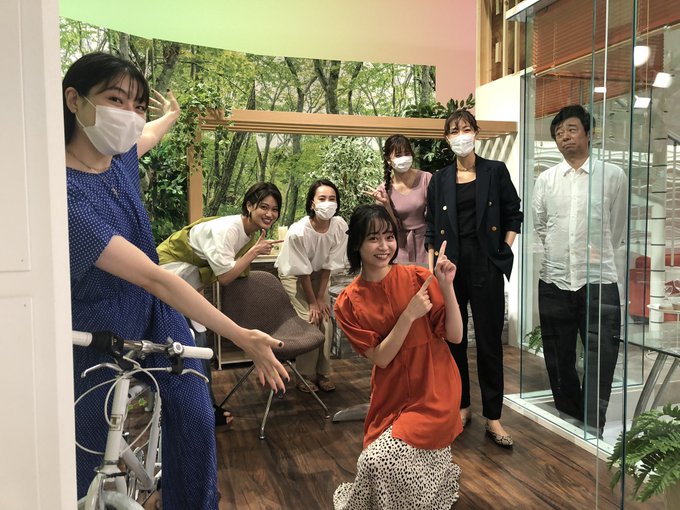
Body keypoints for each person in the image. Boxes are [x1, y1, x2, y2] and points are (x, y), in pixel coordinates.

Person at [64, 52, 288, 509]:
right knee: (88, 444)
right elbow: (156, 278)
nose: (129, 115)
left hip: (155, 312)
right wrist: (243, 335)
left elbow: (147, 134)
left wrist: (170, 115)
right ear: (74, 100)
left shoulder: (120, 157)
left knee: (195, 413)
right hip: (98, 320)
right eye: (115, 100)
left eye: (137, 105)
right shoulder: (64, 195)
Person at [333, 204, 464, 510]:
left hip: (434, 387)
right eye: (373, 239)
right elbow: (381, 358)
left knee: (379, 459)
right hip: (390, 393)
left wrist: (447, 286)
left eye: (389, 237)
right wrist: (408, 316)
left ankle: (431, 489)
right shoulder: (348, 302)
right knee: (374, 460)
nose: (384, 246)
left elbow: (456, 336)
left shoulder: (418, 277)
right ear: (357, 244)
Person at [425, 109, 523, 447]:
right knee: (454, 339)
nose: (460, 135)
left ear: (476, 133)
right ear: (446, 138)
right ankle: (462, 406)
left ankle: (493, 417)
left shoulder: (495, 171)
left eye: (466, 129)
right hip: (450, 266)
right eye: (454, 131)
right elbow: (431, 227)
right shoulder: (440, 179)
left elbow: (513, 213)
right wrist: (433, 268)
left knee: (489, 340)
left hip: (486, 263)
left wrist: (503, 251)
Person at [533, 104, 627, 434]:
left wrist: (595, 255)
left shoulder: (613, 176)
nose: (565, 137)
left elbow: (616, 227)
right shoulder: (546, 180)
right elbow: (541, 226)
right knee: (558, 358)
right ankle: (571, 422)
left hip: (598, 281)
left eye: (571, 129)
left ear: (589, 133)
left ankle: (592, 426)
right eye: (559, 133)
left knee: (602, 358)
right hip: (554, 281)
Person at [157, 182, 283, 426]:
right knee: (187, 346)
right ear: (249, 206)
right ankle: (191, 412)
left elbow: (207, 265)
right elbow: (224, 276)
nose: (269, 213)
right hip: (170, 277)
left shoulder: (248, 233)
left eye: (274, 209)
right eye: (264, 207)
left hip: (189, 285)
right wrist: (254, 253)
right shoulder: (229, 230)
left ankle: (205, 407)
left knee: (201, 346)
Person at [276, 179, 348, 393]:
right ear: (312, 204)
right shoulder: (299, 231)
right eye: (322, 198)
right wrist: (313, 302)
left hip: (319, 275)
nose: (328, 203)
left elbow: (329, 265)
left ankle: (323, 373)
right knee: (311, 319)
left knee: (326, 320)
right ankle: (305, 375)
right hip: (294, 274)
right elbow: (301, 271)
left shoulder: (339, 226)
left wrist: (321, 297)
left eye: (332, 199)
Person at [365, 134, 431, 265]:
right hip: (399, 247)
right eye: (398, 155)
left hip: (426, 243)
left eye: (407, 153)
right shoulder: (383, 190)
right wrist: (386, 204)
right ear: (388, 160)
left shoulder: (426, 178)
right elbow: (388, 228)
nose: (404, 158)